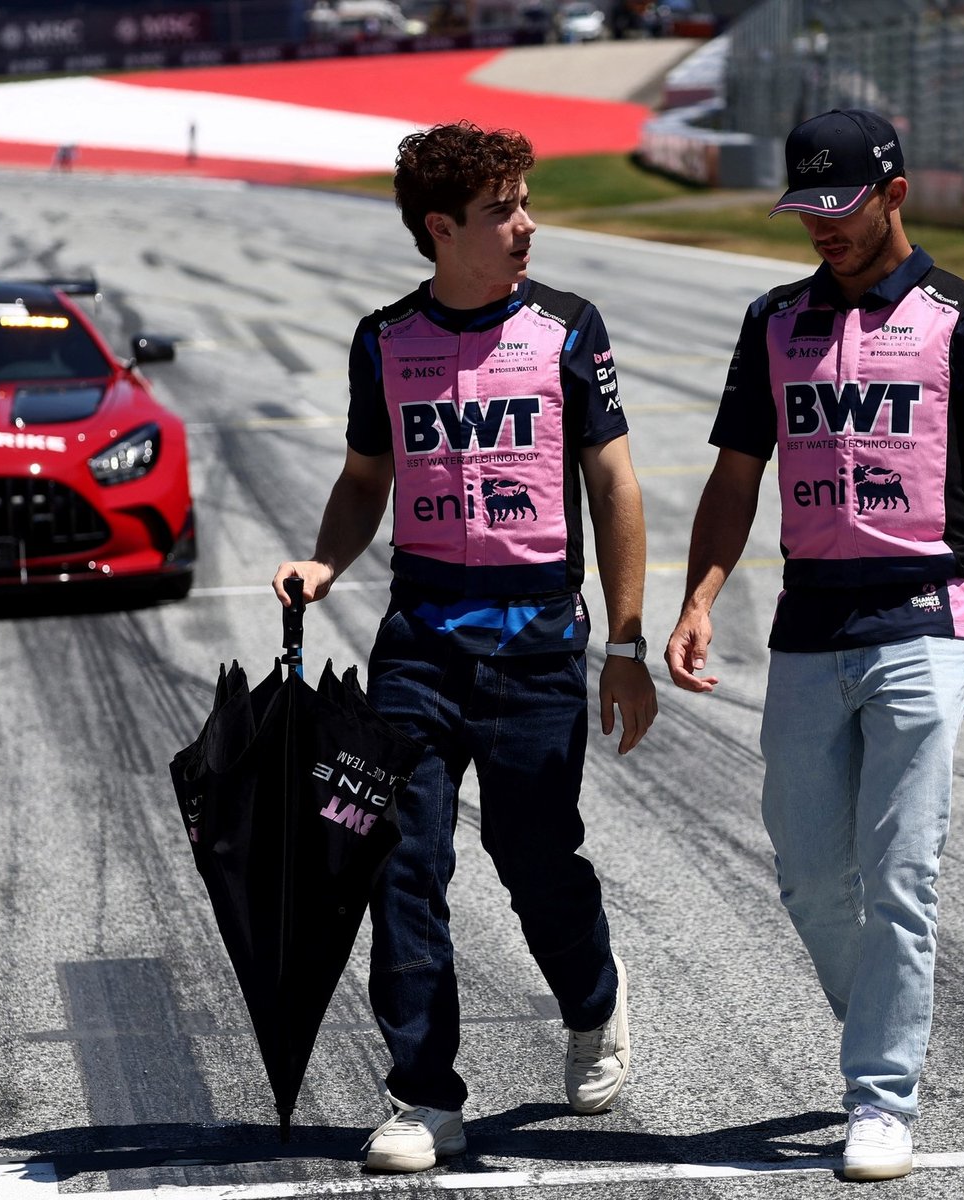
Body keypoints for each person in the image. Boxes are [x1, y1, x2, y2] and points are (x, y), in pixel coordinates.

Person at [664, 108, 964, 1182]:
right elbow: (735, 477)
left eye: (840, 208)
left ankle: (881, 1097)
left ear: (895, 195)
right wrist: (698, 599)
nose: (821, 228)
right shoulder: (773, 320)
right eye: (806, 210)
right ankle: (882, 1018)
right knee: (804, 874)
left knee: (899, 872)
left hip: (929, 615)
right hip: (808, 622)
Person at [272, 120, 657, 1174]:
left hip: (538, 643)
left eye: (525, 203)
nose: (526, 225)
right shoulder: (384, 340)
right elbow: (366, 478)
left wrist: (625, 644)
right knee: (400, 862)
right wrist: (325, 563)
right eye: (502, 210)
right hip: (420, 643)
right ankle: (423, 1094)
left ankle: (593, 998)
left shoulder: (569, 328)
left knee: (533, 860)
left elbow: (613, 483)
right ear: (441, 229)